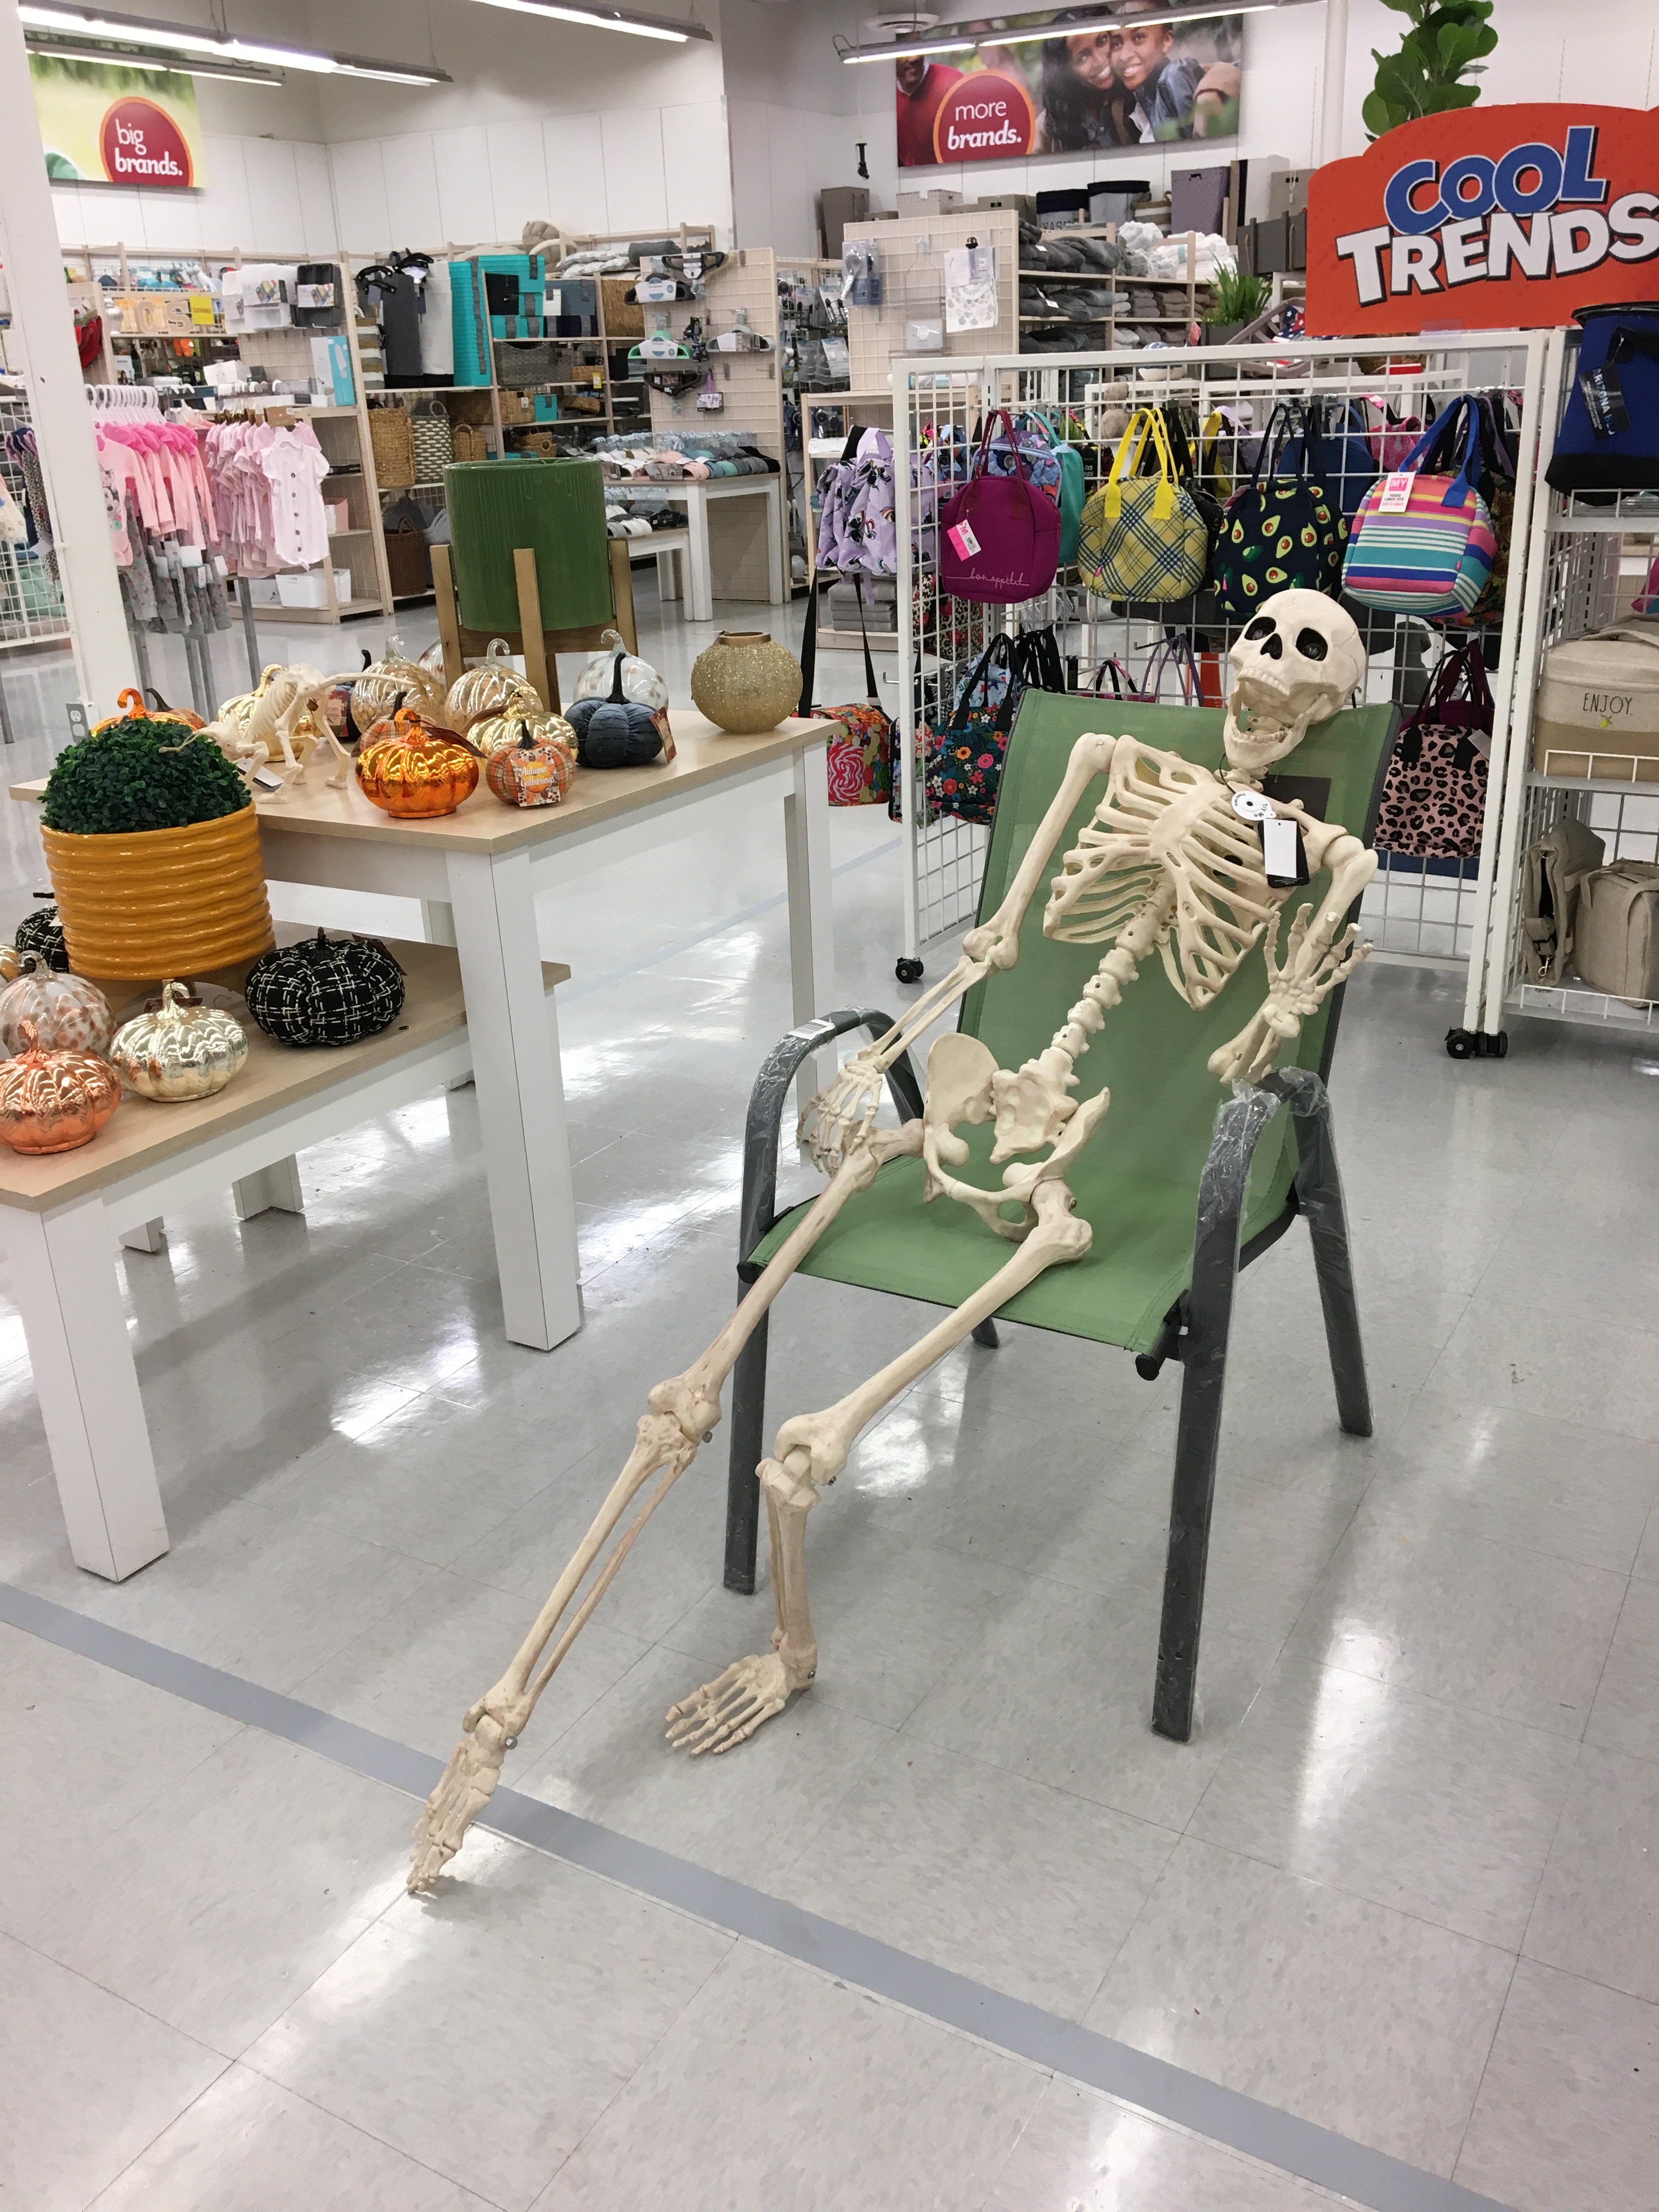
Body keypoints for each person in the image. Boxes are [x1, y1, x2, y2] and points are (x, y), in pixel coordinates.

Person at [1110, 19, 1240, 142]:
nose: (1125, 56)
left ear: (1167, 40)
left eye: (1139, 37)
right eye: (1116, 44)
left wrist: (1210, 91)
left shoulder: (1175, 76)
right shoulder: (1131, 107)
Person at [1032, 18, 1135, 151]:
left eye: (1102, 41)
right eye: (1083, 58)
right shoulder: (1049, 126)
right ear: (1066, 71)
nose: (1099, 61)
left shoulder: (1137, 93)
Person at [895, 52, 964, 166]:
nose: (915, 58)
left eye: (917, 47)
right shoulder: (885, 99)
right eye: (904, 51)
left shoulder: (952, 83)